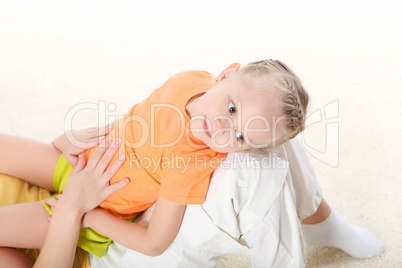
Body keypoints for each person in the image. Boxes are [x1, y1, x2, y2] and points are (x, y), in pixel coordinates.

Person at [0, 59, 310, 265]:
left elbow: (154, 241)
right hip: (79, 194)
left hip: (87, 193)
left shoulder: (192, 163)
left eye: (240, 137)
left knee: (271, 162)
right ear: (225, 74)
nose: (221, 127)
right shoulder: (190, 80)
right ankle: (319, 217)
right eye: (231, 109)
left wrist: (63, 148)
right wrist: (76, 206)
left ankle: (318, 216)